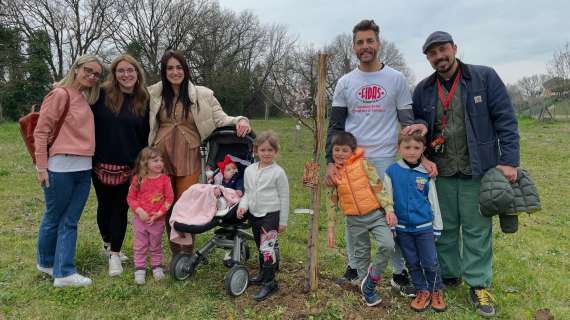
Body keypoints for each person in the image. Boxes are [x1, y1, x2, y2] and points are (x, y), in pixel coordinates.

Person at [412, 31, 520, 317]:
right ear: (428, 58)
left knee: (476, 229)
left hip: (478, 169)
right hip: (441, 171)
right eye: (433, 53)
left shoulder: (485, 78)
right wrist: (421, 134)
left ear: (454, 48)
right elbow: (418, 124)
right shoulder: (422, 89)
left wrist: (509, 161)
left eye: (443, 50)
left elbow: (506, 120)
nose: (439, 57)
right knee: (444, 229)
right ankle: (450, 274)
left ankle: (478, 284)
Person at [325, 19, 424, 296]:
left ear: (378, 43)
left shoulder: (396, 79)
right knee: (352, 213)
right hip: (351, 161)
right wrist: (331, 162)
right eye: (360, 42)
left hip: (384, 159)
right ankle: (355, 267)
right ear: (354, 46)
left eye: (370, 41)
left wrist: (419, 157)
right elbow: (336, 127)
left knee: (390, 213)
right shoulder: (345, 83)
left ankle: (399, 271)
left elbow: (407, 123)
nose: (365, 46)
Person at [147, 50, 251, 256]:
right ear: (163, 71)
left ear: (185, 70)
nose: (175, 72)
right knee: (165, 202)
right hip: (161, 154)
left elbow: (221, 119)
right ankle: (173, 251)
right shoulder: (153, 93)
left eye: (179, 67)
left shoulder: (203, 94)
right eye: (170, 68)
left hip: (189, 153)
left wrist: (241, 119)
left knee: (186, 202)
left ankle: (185, 253)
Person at [34, 55, 103, 287]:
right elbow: (41, 131)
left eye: (97, 74)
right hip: (60, 168)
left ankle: (48, 263)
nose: (92, 76)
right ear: (76, 69)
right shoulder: (60, 94)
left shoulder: (83, 97)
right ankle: (63, 272)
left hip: (83, 168)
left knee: (64, 218)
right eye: (88, 70)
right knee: (61, 219)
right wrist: (41, 166)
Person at [91, 54, 150, 277]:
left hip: (129, 167)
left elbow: (144, 135)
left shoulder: (143, 99)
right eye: (121, 71)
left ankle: (115, 255)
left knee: (120, 209)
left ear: (137, 73)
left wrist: (142, 165)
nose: (126, 75)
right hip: (99, 164)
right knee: (104, 207)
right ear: (114, 74)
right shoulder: (101, 95)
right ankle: (107, 243)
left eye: (130, 70)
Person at [326, 131, 397, 307]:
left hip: (375, 215)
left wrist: (389, 209)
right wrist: (330, 227)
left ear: (352, 151)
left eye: (344, 150)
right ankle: (368, 291)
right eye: (337, 150)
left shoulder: (364, 164)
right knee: (361, 255)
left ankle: (372, 277)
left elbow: (378, 187)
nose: (340, 154)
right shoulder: (334, 174)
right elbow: (332, 202)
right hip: (354, 221)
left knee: (388, 244)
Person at [383, 132, 445, 312]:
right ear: (399, 148)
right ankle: (421, 290)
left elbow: (433, 201)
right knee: (411, 261)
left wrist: (437, 227)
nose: (411, 152)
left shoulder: (425, 173)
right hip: (402, 228)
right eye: (407, 147)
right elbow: (387, 200)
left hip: (424, 227)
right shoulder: (392, 171)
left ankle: (435, 290)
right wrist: (392, 224)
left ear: (423, 150)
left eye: (416, 148)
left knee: (430, 261)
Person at [236, 130, 289, 302]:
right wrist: (243, 206)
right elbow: (247, 193)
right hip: (255, 215)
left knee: (268, 249)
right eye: (263, 150)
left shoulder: (278, 173)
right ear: (256, 150)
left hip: (271, 215)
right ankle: (262, 274)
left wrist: (283, 221)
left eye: (270, 150)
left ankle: (270, 282)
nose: (266, 153)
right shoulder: (250, 170)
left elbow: (285, 197)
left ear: (276, 152)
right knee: (261, 246)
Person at [127, 147, 174, 284]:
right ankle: (140, 268)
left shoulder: (165, 180)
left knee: (156, 245)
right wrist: (140, 211)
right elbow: (131, 198)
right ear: (144, 162)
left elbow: (169, 198)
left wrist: (159, 213)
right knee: (140, 245)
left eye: (161, 160)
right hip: (140, 221)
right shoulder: (138, 179)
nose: (160, 163)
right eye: (155, 161)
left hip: (157, 221)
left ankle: (156, 266)